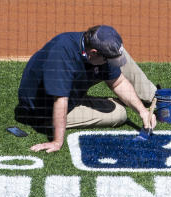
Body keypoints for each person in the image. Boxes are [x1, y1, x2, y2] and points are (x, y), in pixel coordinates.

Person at [15, 25, 157, 153]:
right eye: (106, 59)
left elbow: (118, 83)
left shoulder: (96, 48)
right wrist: (57, 141)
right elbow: (60, 101)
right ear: (93, 53)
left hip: (72, 91)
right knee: (119, 114)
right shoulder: (62, 54)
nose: (110, 63)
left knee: (117, 53)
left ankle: (155, 97)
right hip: (44, 110)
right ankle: (53, 123)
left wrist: (142, 111)